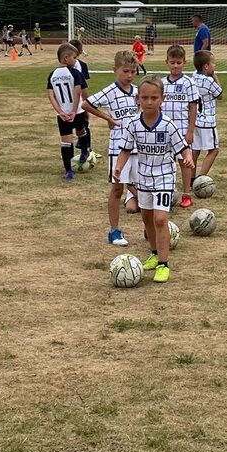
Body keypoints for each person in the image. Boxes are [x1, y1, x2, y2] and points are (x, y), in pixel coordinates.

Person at [115, 75, 193, 284]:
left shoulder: (168, 125)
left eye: (154, 98)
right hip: (143, 179)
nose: (149, 102)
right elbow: (125, 149)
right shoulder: (133, 124)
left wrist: (187, 158)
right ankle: (154, 252)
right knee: (147, 218)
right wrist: (119, 167)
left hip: (164, 177)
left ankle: (163, 264)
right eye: (145, 97)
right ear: (138, 98)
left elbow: (183, 148)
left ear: (162, 99)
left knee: (160, 219)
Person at [84, 50, 141, 246]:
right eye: (125, 71)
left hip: (137, 147)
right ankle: (114, 231)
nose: (129, 75)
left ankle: (149, 228)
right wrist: (108, 118)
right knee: (117, 189)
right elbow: (86, 104)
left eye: (133, 71)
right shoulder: (110, 91)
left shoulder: (137, 91)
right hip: (118, 147)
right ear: (115, 70)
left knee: (142, 188)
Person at [161, 44, 199, 208]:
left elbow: (193, 107)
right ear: (167, 62)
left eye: (178, 62)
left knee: (184, 162)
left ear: (184, 62)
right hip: (164, 131)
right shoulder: (161, 83)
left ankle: (186, 194)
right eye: (172, 62)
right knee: (166, 162)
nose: (175, 66)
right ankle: (166, 191)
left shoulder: (189, 83)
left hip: (182, 130)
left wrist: (190, 130)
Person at [47, 43, 85, 180]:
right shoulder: (75, 73)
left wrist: (60, 111)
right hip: (77, 111)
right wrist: (74, 111)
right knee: (81, 131)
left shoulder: (52, 75)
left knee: (66, 141)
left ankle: (68, 171)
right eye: (74, 58)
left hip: (62, 114)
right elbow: (77, 93)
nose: (75, 60)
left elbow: (51, 95)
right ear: (66, 58)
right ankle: (85, 152)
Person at [191, 49, 222, 182]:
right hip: (207, 121)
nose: (214, 66)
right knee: (214, 150)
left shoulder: (193, 77)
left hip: (195, 120)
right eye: (212, 63)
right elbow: (220, 95)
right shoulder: (208, 81)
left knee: (195, 150)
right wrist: (214, 76)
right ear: (206, 66)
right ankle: (201, 178)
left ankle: (191, 178)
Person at [69, 39, 96, 169]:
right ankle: (71, 150)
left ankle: (87, 149)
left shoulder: (82, 66)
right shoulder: (63, 68)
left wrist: (86, 103)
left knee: (84, 125)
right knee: (73, 127)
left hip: (79, 102)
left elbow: (84, 86)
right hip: (69, 103)